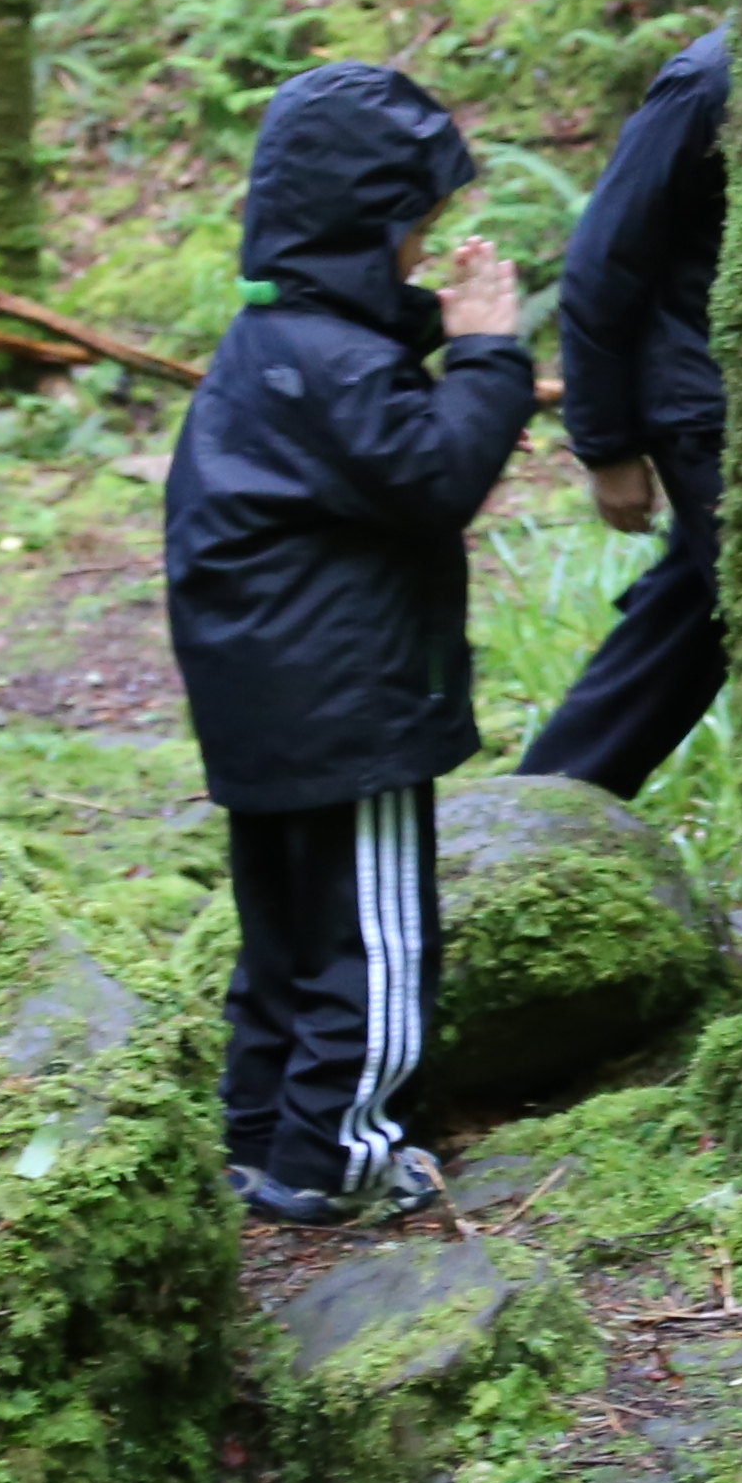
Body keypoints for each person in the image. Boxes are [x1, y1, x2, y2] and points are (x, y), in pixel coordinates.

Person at [161, 60, 541, 1226]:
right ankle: (345, 1158)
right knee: (375, 944)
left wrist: (443, 327)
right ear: (364, 224)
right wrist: (487, 354)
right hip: (349, 710)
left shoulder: (279, 339)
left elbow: (367, 368)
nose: (425, 256)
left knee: (282, 934)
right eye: (416, 234)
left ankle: (258, 1133)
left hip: (267, 701)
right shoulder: (331, 365)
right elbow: (434, 476)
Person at [518, 24, 729, 798]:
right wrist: (607, 448)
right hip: (706, 410)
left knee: (692, 620)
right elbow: (601, 265)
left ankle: (549, 801)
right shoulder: (709, 82)